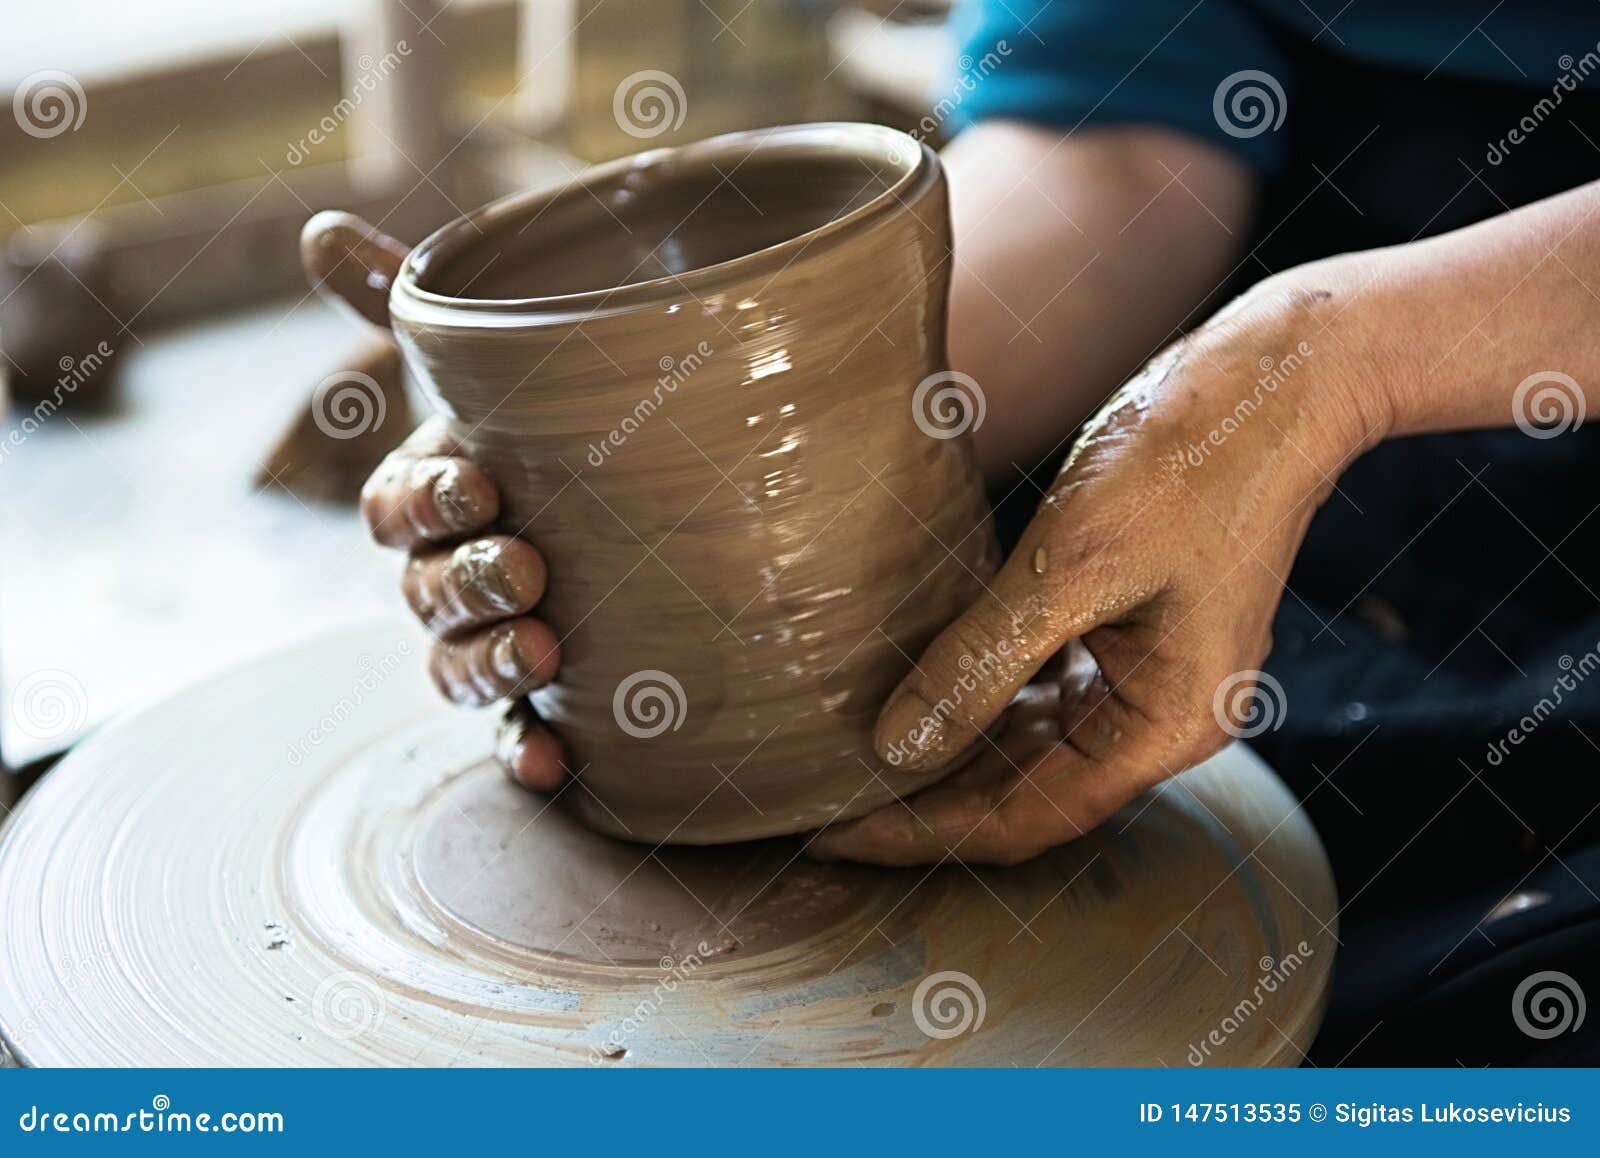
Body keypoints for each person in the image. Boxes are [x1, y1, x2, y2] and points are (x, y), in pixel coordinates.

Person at [361, 1, 1600, 1062]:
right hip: (1284, 282)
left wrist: (1334, 361)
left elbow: (1315, 354)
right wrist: (712, 434)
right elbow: (1108, 138)